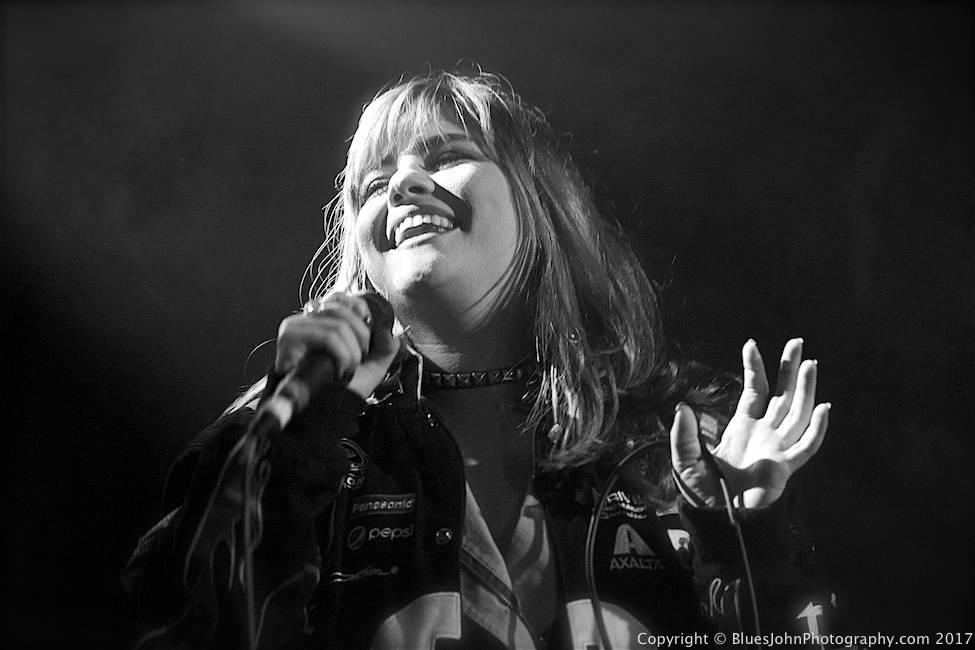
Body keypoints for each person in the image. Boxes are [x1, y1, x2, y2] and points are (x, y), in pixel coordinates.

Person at [117, 70, 837, 649]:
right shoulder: (287, 430)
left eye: (447, 155)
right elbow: (176, 626)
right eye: (373, 184)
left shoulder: (671, 452)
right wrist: (290, 434)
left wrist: (752, 544)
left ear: (542, 207)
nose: (400, 186)